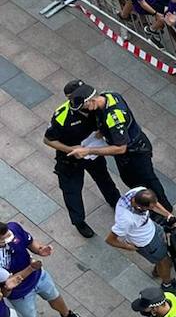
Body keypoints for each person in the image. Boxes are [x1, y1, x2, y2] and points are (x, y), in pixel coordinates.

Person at [62, 80, 173, 211]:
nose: (84, 110)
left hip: (135, 153)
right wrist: (102, 131)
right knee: (129, 180)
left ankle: (164, 211)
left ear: (91, 101)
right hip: (127, 154)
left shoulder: (114, 116)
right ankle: (146, 206)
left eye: (83, 106)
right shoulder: (108, 96)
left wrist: (88, 151)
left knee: (148, 182)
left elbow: (120, 148)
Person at [0, 218, 89, 317]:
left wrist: (40, 249)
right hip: (19, 293)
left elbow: (30, 242)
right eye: (4, 238)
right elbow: (9, 283)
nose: (10, 237)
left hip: (39, 276)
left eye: (8, 234)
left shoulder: (14, 228)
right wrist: (31, 268)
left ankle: (67, 315)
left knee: (55, 297)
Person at [43, 88, 123, 238]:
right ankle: (79, 221)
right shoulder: (62, 116)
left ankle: (116, 201)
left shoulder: (96, 107)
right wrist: (70, 149)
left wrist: (101, 132)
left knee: (104, 178)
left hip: (92, 151)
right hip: (70, 158)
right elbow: (48, 139)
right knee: (72, 191)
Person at [106, 187, 176, 295]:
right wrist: (129, 247)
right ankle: (167, 284)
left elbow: (154, 205)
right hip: (146, 243)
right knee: (164, 261)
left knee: (162, 259)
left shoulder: (139, 192)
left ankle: (158, 270)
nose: (153, 208)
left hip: (152, 228)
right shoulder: (126, 220)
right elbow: (110, 240)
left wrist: (167, 214)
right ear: (140, 206)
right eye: (150, 207)